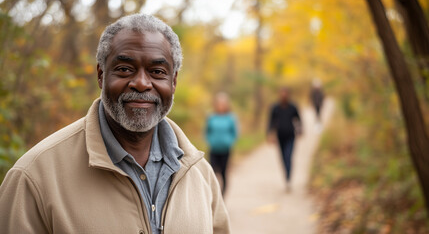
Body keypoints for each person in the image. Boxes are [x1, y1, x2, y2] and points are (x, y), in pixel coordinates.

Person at [0, 14, 230, 234]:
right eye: (124, 69)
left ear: (174, 81)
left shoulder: (199, 174)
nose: (141, 83)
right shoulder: (34, 177)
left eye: (157, 71)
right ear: (101, 75)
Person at [268, 87, 301, 191]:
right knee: (282, 158)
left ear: (288, 94)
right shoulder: (275, 108)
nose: (283, 95)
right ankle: (286, 176)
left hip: (291, 136)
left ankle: (288, 178)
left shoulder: (293, 107)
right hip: (280, 136)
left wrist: (300, 130)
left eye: (285, 93)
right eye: (282, 93)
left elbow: (298, 119)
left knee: (288, 156)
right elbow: (271, 122)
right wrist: (270, 134)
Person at [205, 92, 238, 196]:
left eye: (223, 103)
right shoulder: (211, 117)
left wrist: (229, 141)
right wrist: (210, 141)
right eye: (219, 103)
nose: (221, 106)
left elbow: (234, 132)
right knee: (212, 173)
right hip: (213, 149)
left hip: (225, 150)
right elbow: (207, 131)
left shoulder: (230, 118)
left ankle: (222, 197)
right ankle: (213, 196)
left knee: (223, 173)